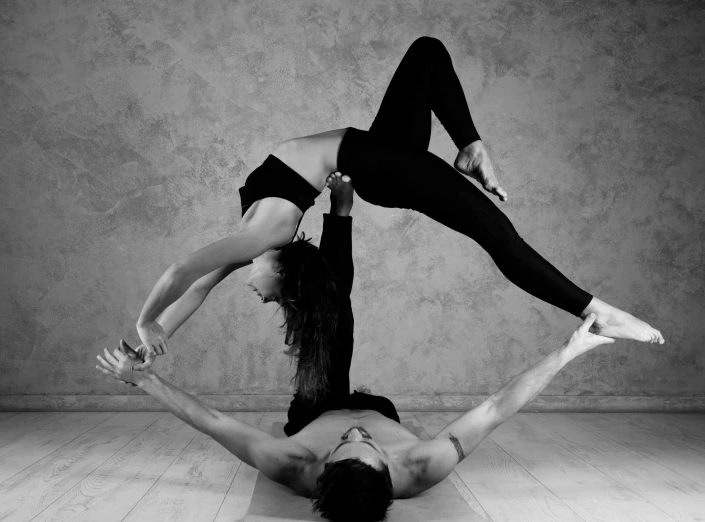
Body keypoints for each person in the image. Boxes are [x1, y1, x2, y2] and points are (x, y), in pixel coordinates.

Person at [134, 36, 663, 393]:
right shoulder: (264, 237)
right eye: (277, 297)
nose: (260, 295)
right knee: (500, 238)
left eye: (271, 294)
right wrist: (153, 326)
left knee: (428, 53)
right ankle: (595, 310)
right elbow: (194, 282)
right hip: (378, 167)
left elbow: (189, 278)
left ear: (279, 267)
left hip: (376, 151)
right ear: (285, 265)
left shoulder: (256, 237)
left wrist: (147, 334)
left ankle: (471, 147)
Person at [97, 312, 617, 521]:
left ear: (321, 469)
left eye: (347, 441)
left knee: (322, 326)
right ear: (388, 467)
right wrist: (570, 350)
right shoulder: (422, 464)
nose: (353, 430)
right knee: (341, 330)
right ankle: (340, 214)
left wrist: (143, 380)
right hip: (383, 408)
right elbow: (497, 409)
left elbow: (212, 421)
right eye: (361, 440)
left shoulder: (292, 461)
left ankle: (336, 219)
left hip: (312, 406)